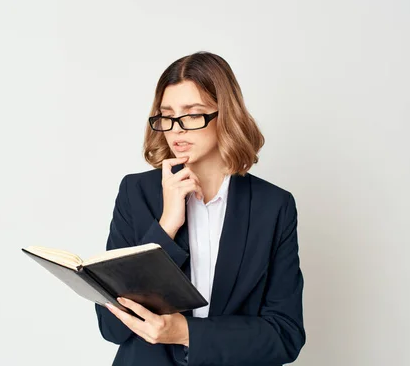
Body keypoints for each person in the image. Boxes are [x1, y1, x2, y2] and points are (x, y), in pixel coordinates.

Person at [94, 51, 306, 365]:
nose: (176, 129)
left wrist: (185, 332)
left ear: (227, 115)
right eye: (167, 115)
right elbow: (111, 326)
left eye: (192, 114)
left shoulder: (273, 207)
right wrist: (165, 227)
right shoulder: (136, 193)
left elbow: (284, 335)